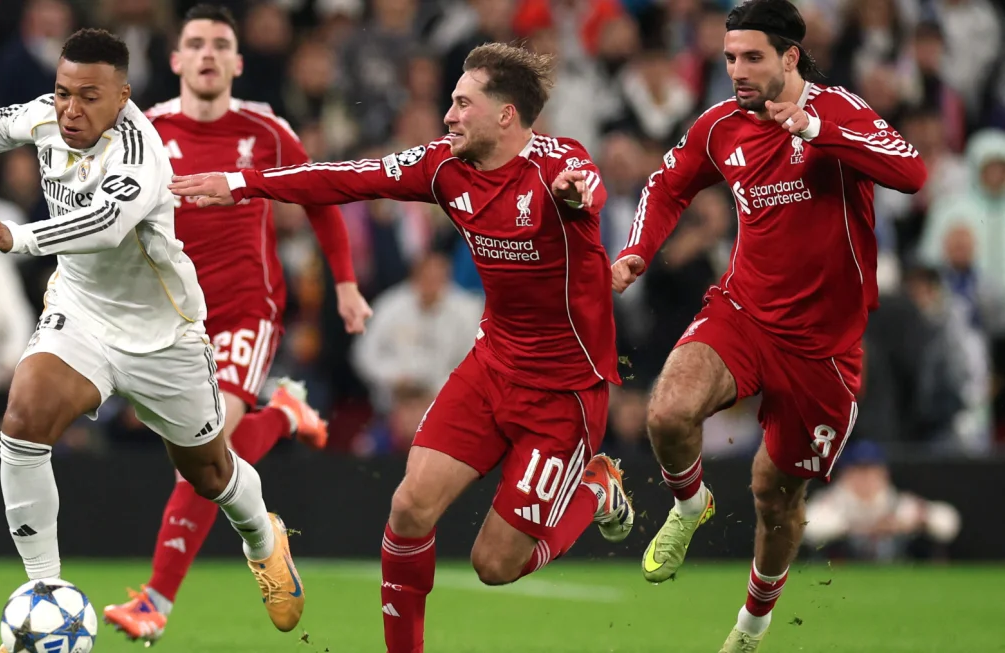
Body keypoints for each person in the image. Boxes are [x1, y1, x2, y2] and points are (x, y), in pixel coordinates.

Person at [173, 42, 636, 653]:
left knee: (495, 564)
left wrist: (578, 195)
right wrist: (241, 183)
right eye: (451, 102)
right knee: (410, 508)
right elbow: (346, 177)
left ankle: (596, 487)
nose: (449, 115)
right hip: (491, 367)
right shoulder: (445, 166)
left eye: (463, 104)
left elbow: (587, 189)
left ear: (505, 115)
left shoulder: (558, 164)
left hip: (564, 391)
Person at [0, 29, 306, 651]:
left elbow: (106, 225)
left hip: (162, 335)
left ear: (123, 96)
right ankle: (44, 591)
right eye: (63, 92)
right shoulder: (50, 115)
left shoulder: (143, 154)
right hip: (82, 313)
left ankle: (262, 538)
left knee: (209, 472)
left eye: (89, 97)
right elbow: (3, 123)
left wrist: (18, 236)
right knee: (24, 418)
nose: (70, 109)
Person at [610, 1, 928, 650]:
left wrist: (816, 130)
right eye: (729, 58)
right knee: (667, 412)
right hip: (744, 313)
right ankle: (690, 504)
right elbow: (667, 185)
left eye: (751, 57)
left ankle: (752, 625)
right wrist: (638, 249)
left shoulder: (838, 110)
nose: (737, 71)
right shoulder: (719, 126)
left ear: (789, 56)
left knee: (773, 494)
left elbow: (912, 172)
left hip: (823, 348)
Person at [101, 5, 372, 644]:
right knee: (202, 462)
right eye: (195, 43)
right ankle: (282, 413)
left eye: (220, 44)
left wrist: (344, 282)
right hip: (171, 320)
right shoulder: (142, 131)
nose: (208, 54)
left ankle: (156, 601)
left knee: (203, 453)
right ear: (175, 60)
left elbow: (319, 194)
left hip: (248, 308)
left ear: (237, 62)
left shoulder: (267, 130)